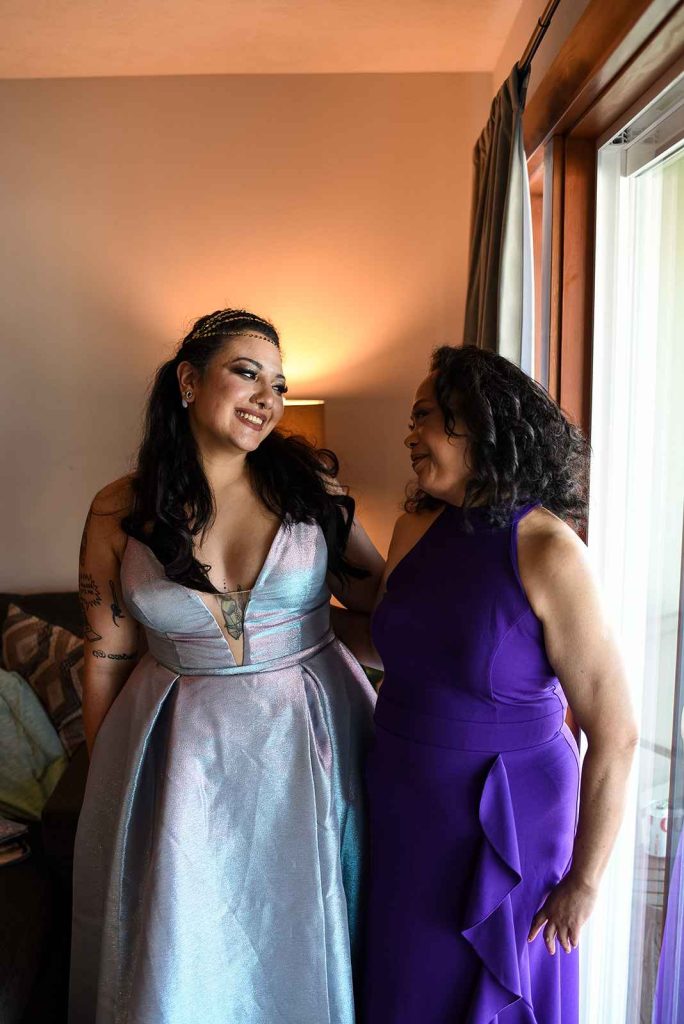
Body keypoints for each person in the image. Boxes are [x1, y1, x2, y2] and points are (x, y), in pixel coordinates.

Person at [69, 308, 383, 1024]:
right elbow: (107, 655)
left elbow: (389, 610)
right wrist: (112, 783)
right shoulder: (118, 510)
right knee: (189, 953)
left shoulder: (314, 496)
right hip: (181, 760)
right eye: (246, 373)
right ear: (188, 380)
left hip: (313, 744)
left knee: (314, 929)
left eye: (277, 384)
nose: (266, 398)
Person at [363, 344, 638, 1024]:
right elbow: (399, 645)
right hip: (403, 809)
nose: (409, 434)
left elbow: (616, 729)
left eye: (424, 416)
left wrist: (584, 880)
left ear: (479, 424)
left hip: (508, 822)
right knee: (404, 987)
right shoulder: (411, 527)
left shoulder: (548, 548)